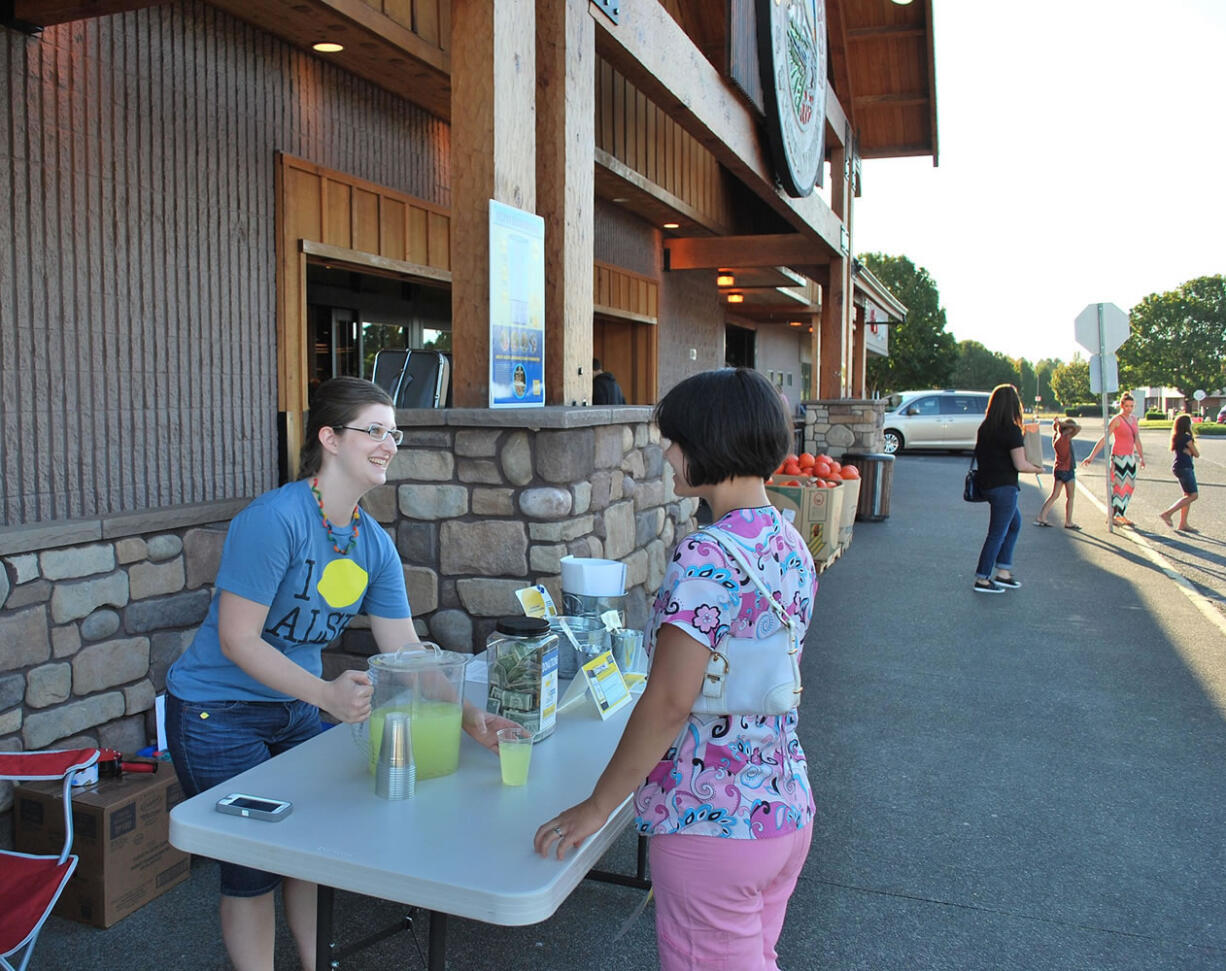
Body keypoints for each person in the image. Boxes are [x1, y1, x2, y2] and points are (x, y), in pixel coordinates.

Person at [165, 377, 515, 971]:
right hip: (215, 713)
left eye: (393, 432)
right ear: (329, 438)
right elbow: (237, 637)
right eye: (373, 430)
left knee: (312, 850)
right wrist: (326, 694)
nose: (388, 443)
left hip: (294, 708)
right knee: (255, 864)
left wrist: (467, 717)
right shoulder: (274, 519)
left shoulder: (372, 543)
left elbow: (405, 648)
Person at [534, 367, 817, 970]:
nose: (666, 451)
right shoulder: (789, 541)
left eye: (676, 438)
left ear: (711, 442)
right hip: (783, 806)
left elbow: (669, 701)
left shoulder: (708, 553)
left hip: (712, 822)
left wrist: (598, 805)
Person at [972, 383, 1044, 594]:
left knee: (1013, 525)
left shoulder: (985, 428)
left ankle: (1003, 572)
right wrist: (1038, 469)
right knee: (997, 533)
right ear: (1014, 406)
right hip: (1004, 487)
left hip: (987, 485)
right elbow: (1020, 464)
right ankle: (983, 578)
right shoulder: (1011, 431)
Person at [1081, 392, 1146, 525]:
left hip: (1130, 456)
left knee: (1129, 486)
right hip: (1118, 457)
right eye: (1127, 406)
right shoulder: (1117, 420)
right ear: (1121, 405)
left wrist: (1141, 457)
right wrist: (1091, 456)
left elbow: (1137, 439)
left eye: (1131, 406)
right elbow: (1105, 438)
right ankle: (1113, 516)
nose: (1129, 408)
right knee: (1119, 486)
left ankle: (1120, 514)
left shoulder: (1134, 419)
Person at [1034, 417, 1081, 529]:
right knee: (1070, 497)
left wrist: (1058, 425)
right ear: (1068, 429)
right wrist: (1064, 424)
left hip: (1058, 469)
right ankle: (1068, 521)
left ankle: (1042, 516)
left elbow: (1056, 430)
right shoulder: (1066, 438)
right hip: (1068, 470)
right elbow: (1078, 428)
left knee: (1054, 495)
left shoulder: (1056, 438)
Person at [1159, 413, 1200, 531]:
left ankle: (1183, 524)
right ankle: (1168, 513)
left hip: (1178, 467)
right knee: (1193, 495)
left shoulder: (1176, 437)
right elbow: (1197, 454)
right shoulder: (1186, 438)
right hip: (1185, 467)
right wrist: (1191, 451)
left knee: (1187, 495)